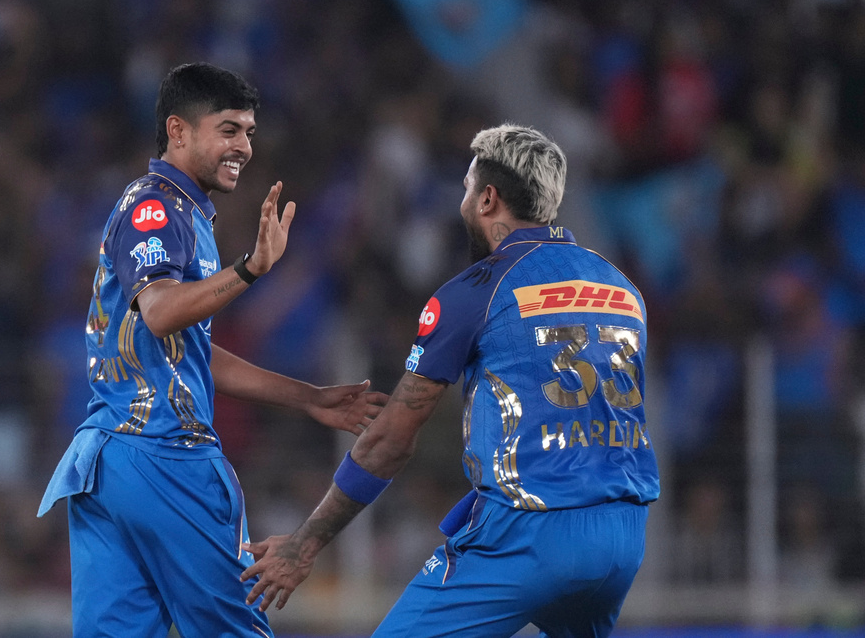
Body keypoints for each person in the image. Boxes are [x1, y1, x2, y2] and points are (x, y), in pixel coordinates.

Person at [242, 124, 661, 637]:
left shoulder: (474, 291)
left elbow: (390, 442)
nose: (462, 201)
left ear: (487, 199)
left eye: (466, 189)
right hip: (622, 533)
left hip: (529, 533)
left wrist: (303, 545)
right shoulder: (621, 286)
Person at [37, 62, 383, 638]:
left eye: (248, 131)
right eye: (228, 129)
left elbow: (185, 348)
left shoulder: (179, 211)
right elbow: (163, 310)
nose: (244, 146)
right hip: (164, 456)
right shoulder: (158, 207)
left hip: (107, 466)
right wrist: (250, 268)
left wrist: (309, 398)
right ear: (178, 131)